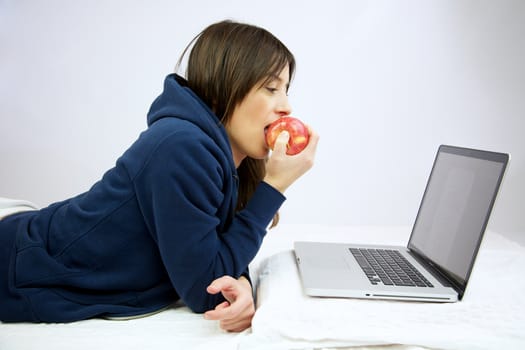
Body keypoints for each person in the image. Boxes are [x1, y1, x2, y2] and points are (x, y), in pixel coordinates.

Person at [0, 20, 319, 332]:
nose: (287, 107)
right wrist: (274, 187)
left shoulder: (221, 155)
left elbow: (217, 243)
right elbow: (205, 290)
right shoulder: (182, 146)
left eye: (286, 90)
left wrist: (241, 282)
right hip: (18, 266)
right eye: (271, 88)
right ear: (225, 88)